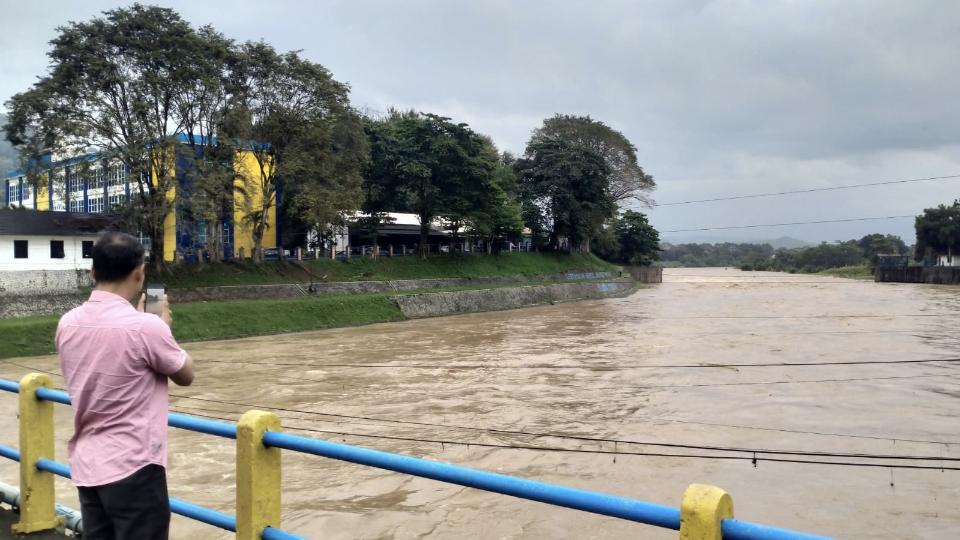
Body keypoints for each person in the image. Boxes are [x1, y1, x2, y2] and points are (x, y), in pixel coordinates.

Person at [56, 232, 195, 540]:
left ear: (93, 272)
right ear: (139, 273)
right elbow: (185, 374)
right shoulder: (147, 327)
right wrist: (164, 329)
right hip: (134, 467)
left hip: (88, 465)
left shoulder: (67, 322)